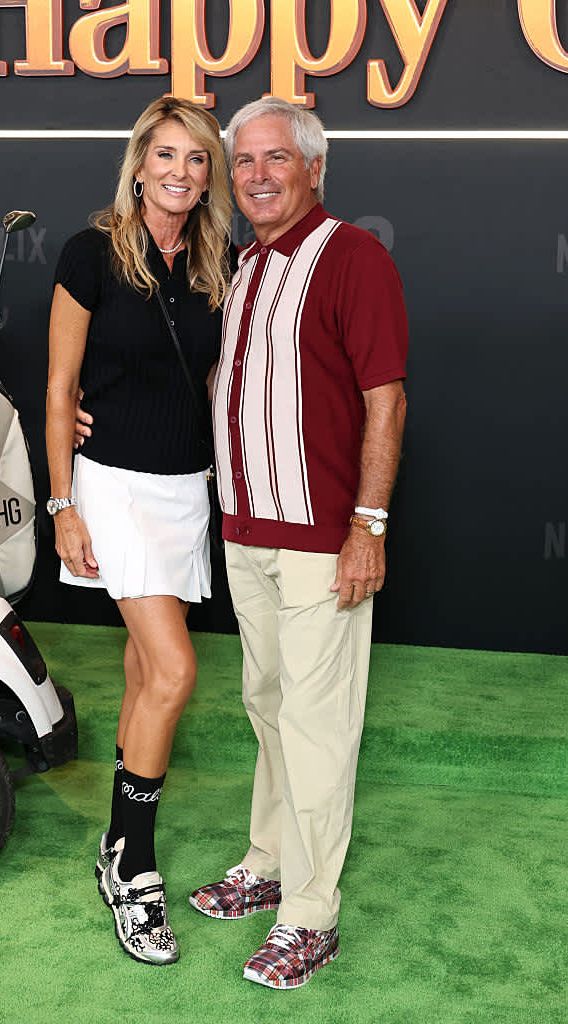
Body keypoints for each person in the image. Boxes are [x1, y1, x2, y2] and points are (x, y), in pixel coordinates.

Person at [187, 97, 409, 990]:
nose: (257, 175)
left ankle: (311, 917)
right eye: (244, 162)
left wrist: (369, 526)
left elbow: (385, 398)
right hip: (246, 529)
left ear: (313, 167)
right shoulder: (244, 264)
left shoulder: (351, 255)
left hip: (324, 539)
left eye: (276, 158)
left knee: (318, 728)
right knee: (269, 707)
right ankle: (268, 860)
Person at [46, 96, 232, 966]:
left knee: (139, 666)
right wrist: (62, 502)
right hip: (112, 483)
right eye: (166, 156)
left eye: (197, 160)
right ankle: (132, 863)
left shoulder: (214, 260)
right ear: (138, 163)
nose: (181, 174)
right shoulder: (90, 253)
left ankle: (117, 845)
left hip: (183, 488)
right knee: (175, 670)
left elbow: (206, 382)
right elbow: (59, 388)